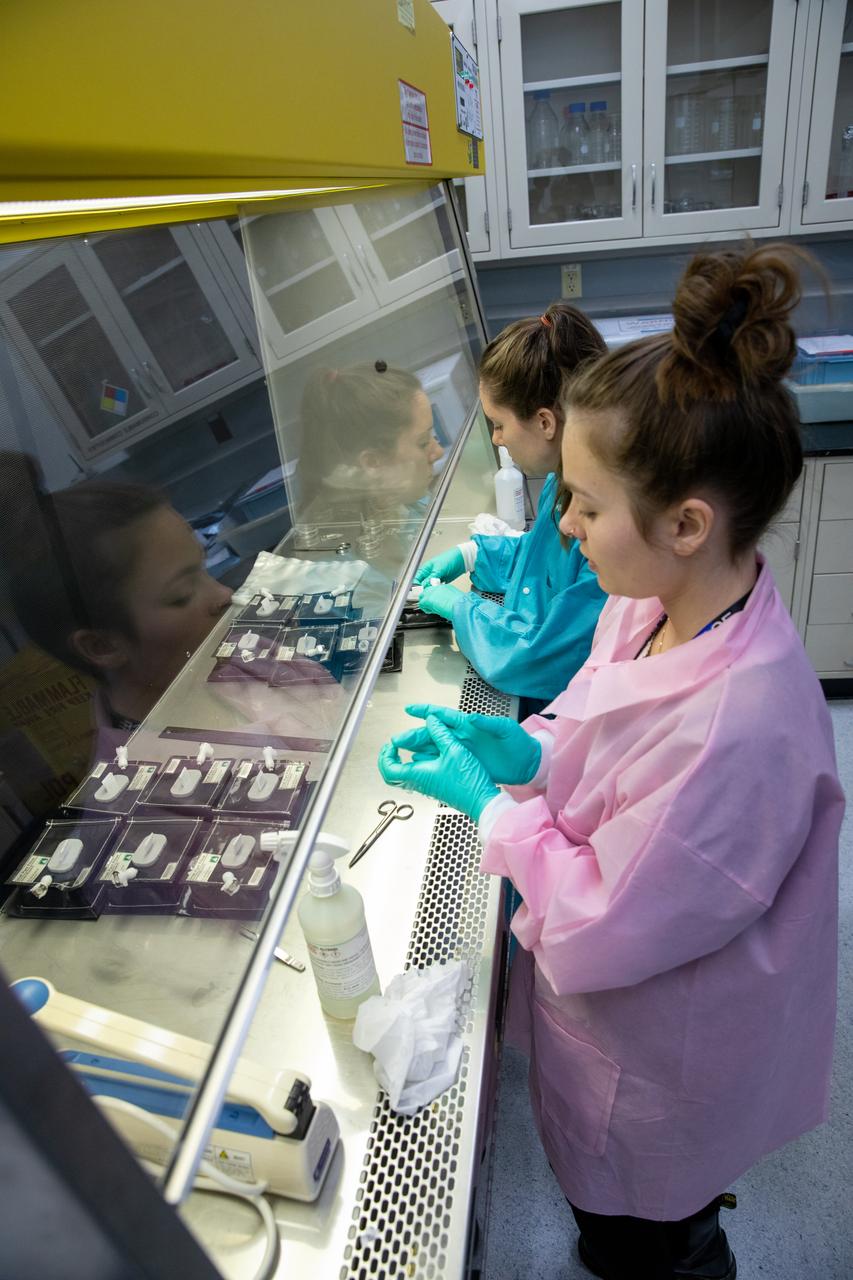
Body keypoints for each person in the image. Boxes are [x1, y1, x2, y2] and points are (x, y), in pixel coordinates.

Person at [378, 243, 844, 1280]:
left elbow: (596, 922)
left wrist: (488, 811)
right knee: (613, 1215)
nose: (566, 522)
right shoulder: (651, 600)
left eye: (584, 502)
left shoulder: (741, 722)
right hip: (624, 1007)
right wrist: (528, 749)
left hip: (665, 1051)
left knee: (655, 1236)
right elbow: (593, 710)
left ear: (685, 522)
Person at [413, 304, 607, 706]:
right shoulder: (563, 480)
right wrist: (473, 555)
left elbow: (542, 657)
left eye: (499, 425)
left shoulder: (600, 526)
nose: (497, 439)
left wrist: (464, 609)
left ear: (544, 422)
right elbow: (545, 557)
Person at [0, 452, 232, 736]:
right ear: (102, 646)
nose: (225, 594)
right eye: (181, 595)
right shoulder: (163, 775)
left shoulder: (207, 667)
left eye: (203, 567)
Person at [297, 361, 444, 525]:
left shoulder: (406, 501)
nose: (439, 452)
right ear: (373, 463)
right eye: (423, 443)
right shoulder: (353, 546)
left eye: (433, 436)